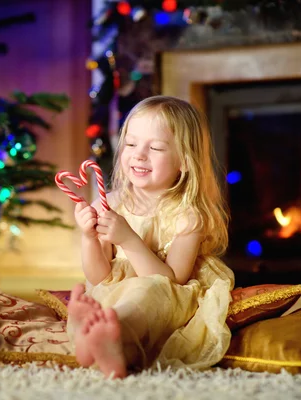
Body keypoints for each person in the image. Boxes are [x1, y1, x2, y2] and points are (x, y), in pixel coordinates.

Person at [67, 95, 235, 378]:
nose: (139, 154)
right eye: (131, 144)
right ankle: (100, 343)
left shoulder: (188, 215)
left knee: (146, 293)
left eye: (155, 147)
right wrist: (88, 238)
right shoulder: (111, 204)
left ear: (184, 161)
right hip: (116, 291)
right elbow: (99, 277)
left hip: (166, 297)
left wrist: (129, 240)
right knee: (102, 298)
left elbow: (172, 280)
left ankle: (111, 335)